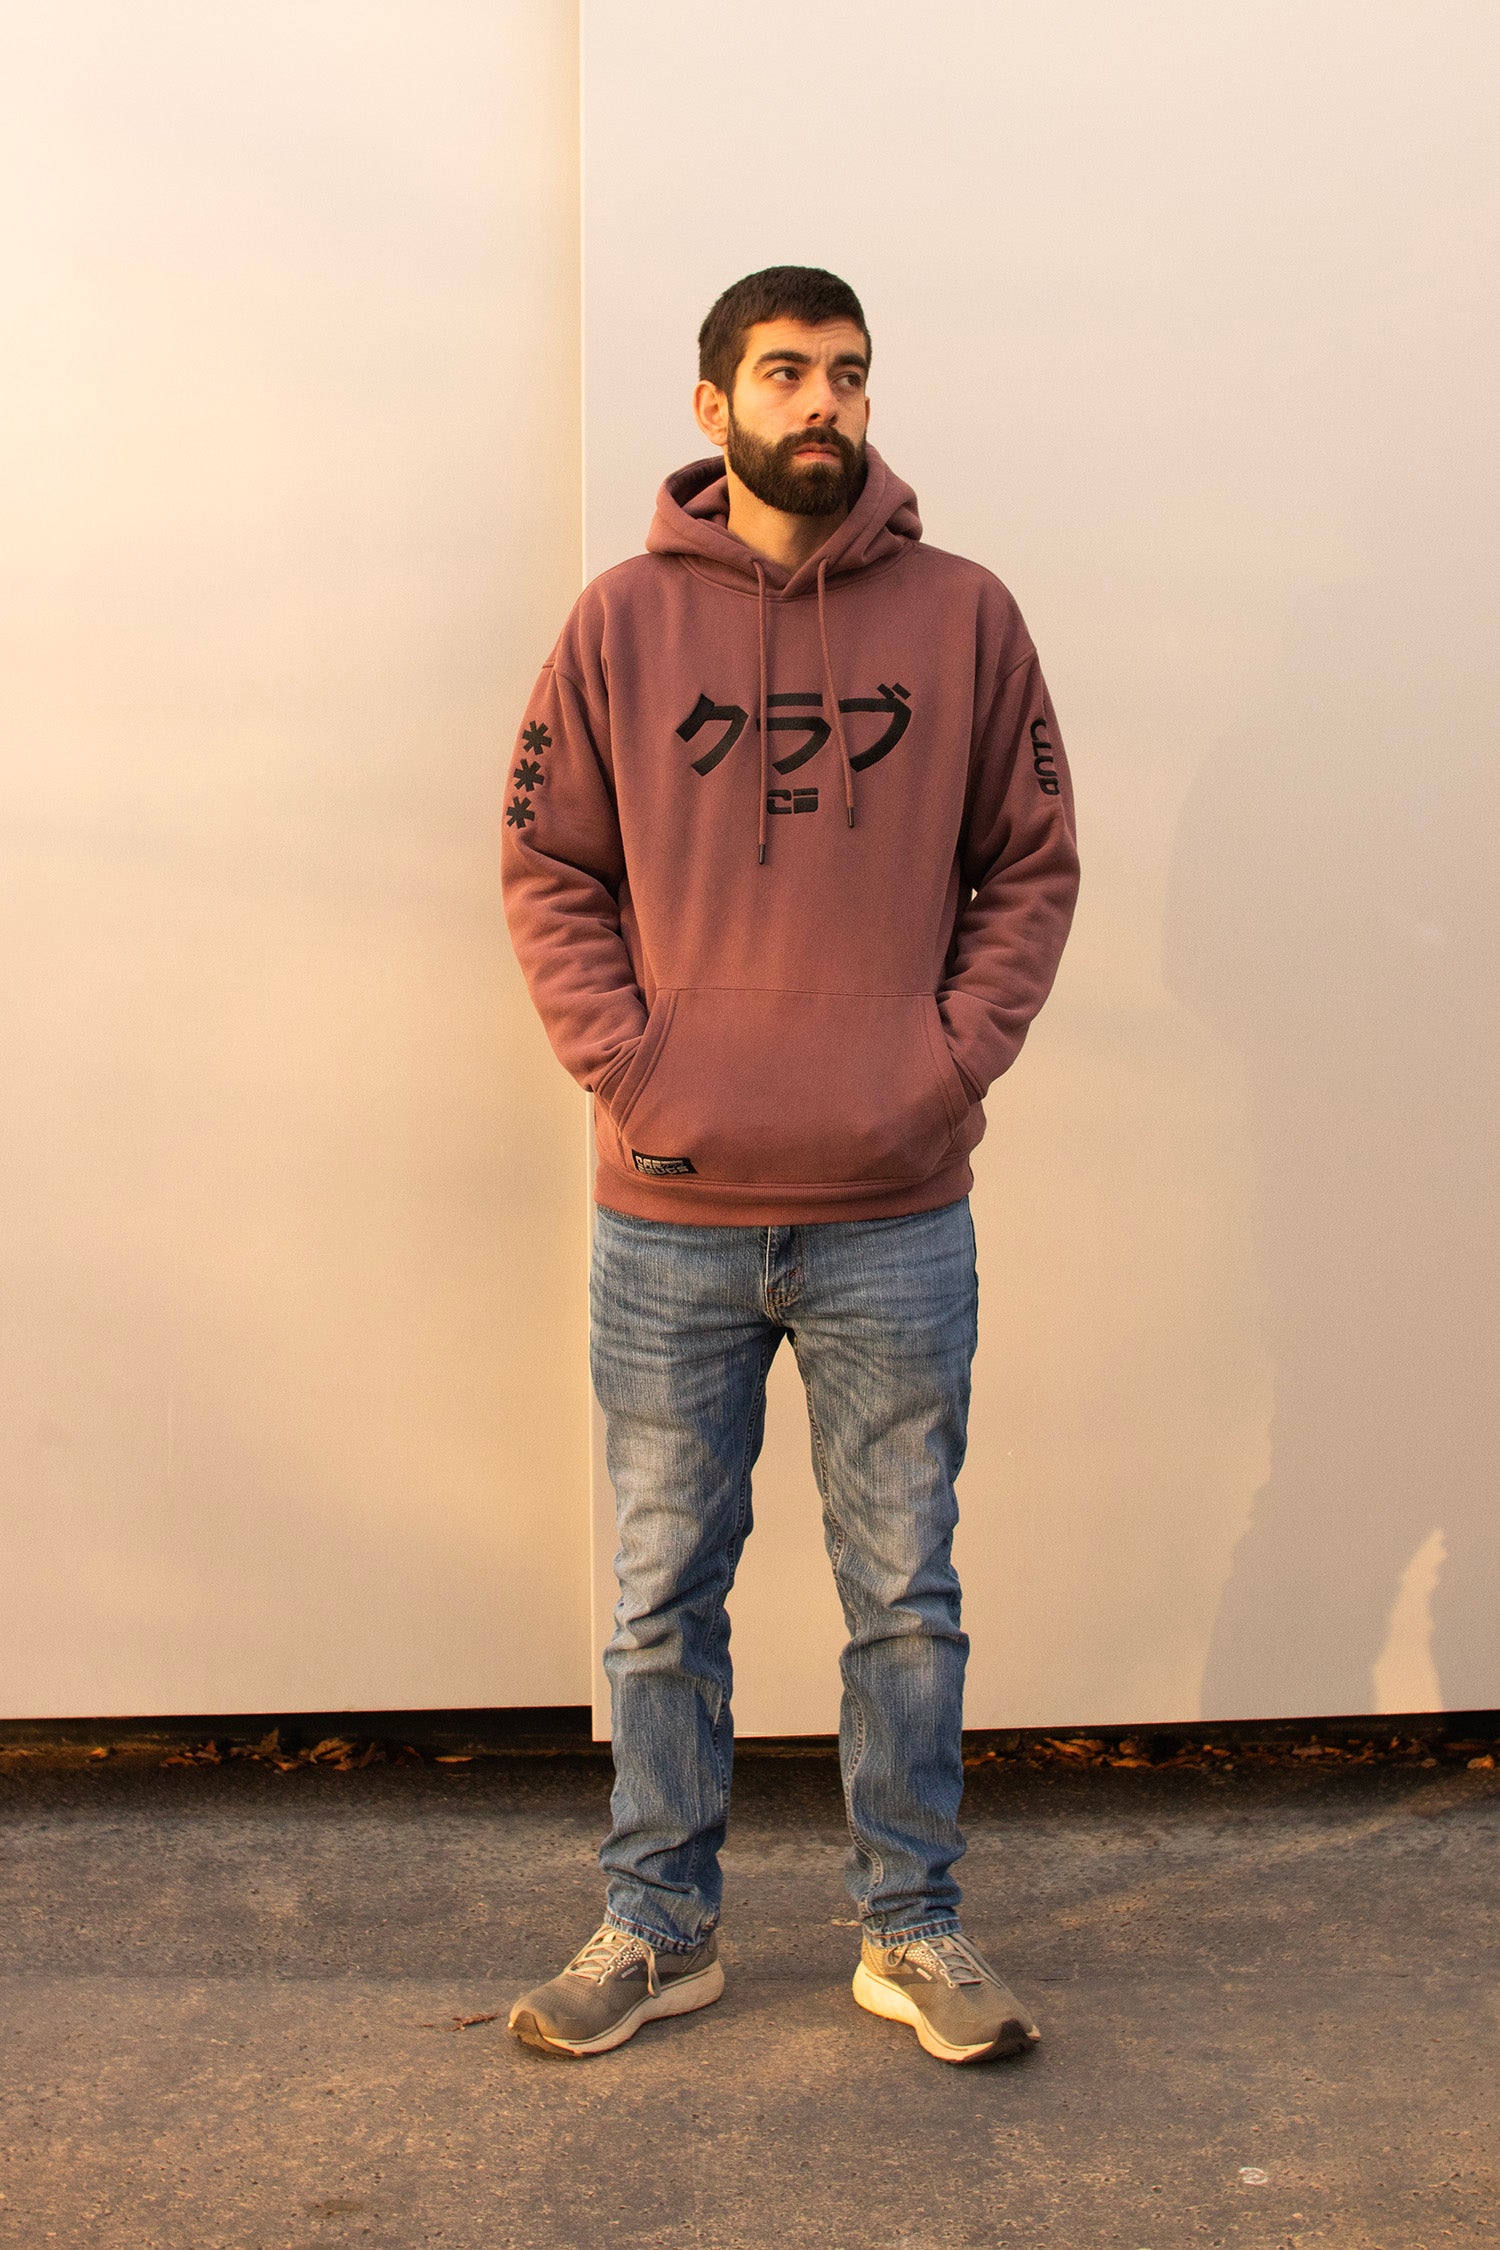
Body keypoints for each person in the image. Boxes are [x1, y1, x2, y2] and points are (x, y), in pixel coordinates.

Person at [500, 266, 1079, 2064]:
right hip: (668, 1203)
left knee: (905, 1592)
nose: (822, 400)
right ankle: (657, 1925)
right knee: (660, 1590)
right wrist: (633, 1062)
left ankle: (911, 1926)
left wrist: (939, 1067)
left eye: (847, 372)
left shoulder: (967, 617)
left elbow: (1031, 866)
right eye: (783, 372)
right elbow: (548, 867)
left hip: (894, 1206)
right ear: (713, 406)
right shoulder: (617, 625)